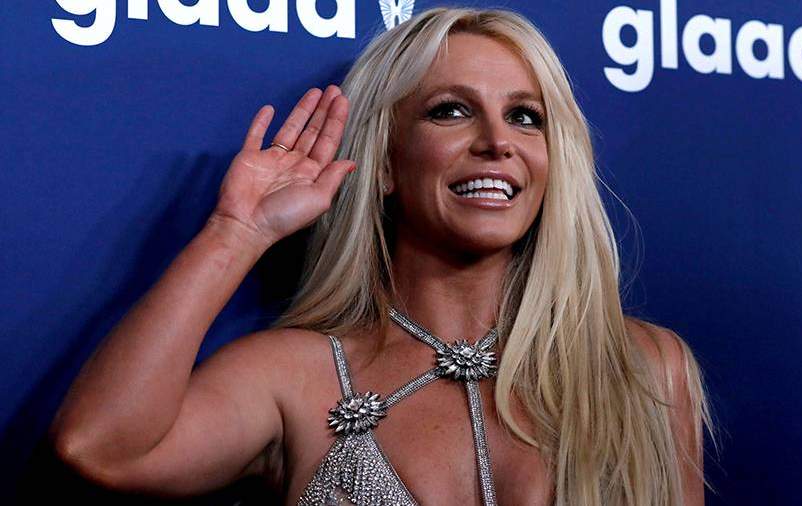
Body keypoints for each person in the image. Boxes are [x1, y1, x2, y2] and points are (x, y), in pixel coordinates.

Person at [50, 7, 714, 506]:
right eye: (450, 111)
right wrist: (236, 232)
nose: (498, 142)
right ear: (386, 163)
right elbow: (101, 448)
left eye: (525, 117)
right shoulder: (294, 376)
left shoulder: (646, 368)